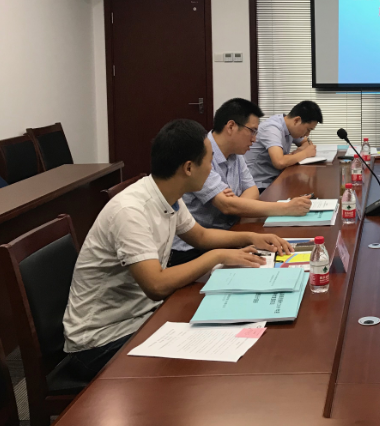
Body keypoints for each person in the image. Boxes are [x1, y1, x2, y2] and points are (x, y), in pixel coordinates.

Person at [63, 119, 294, 381]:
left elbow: (201, 236)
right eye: (209, 160)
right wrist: (217, 256)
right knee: (205, 361)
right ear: (188, 168)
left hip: (141, 315)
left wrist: (250, 237)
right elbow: (156, 285)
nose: (212, 169)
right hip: (100, 340)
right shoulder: (131, 211)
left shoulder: (168, 195)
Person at [170, 98, 311, 266]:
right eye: (252, 131)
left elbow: (252, 190)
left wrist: (236, 203)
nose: (254, 139)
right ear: (231, 126)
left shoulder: (235, 153)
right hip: (193, 249)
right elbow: (227, 205)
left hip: (229, 233)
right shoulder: (202, 154)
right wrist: (286, 208)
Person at [245, 100, 323, 190]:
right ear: (297, 120)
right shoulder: (272, 128)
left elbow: (307, 143)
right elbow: (280, 162)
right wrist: (305, 153)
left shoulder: (289, 127)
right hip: (259, 185)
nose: (308, 134)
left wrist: (299, 152)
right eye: (308, 129)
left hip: (276, 178)